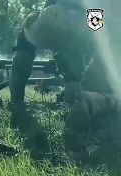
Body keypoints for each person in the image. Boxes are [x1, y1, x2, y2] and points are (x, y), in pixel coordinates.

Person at [10, 0, 121, 165]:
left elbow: (53, 16)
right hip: (99, 19)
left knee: (27, 36)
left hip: (77, 16)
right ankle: (87, 96)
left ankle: (16, 102)